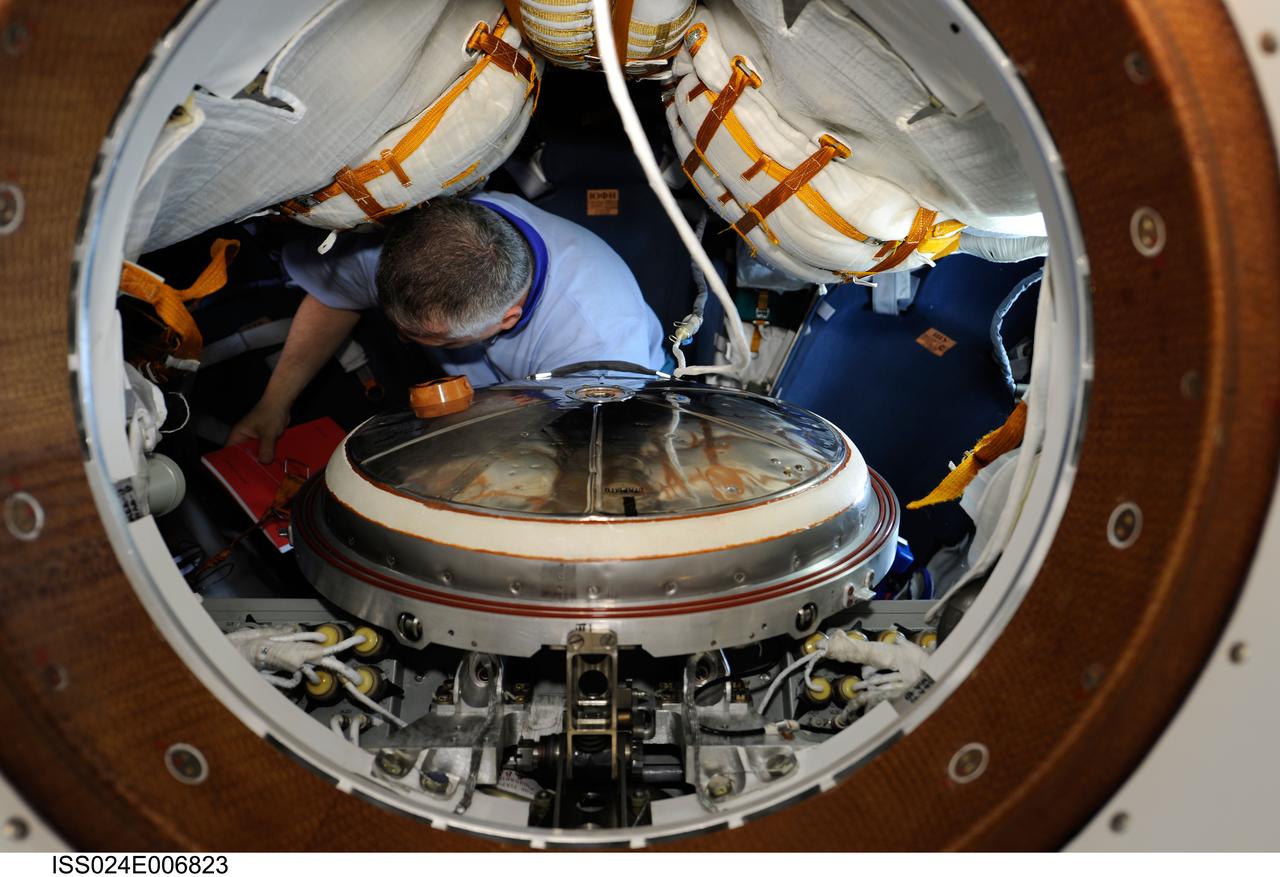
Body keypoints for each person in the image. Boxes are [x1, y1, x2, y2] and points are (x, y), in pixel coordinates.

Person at [229, 192, 666, 462]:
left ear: (508, 320)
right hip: (481, 397)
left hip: (592, 414)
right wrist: (274, 403)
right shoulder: (396, 249)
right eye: (399, 326)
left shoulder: (600, 342)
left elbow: (597, 458)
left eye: (431, 339)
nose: (400, 340)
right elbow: (334, 298)